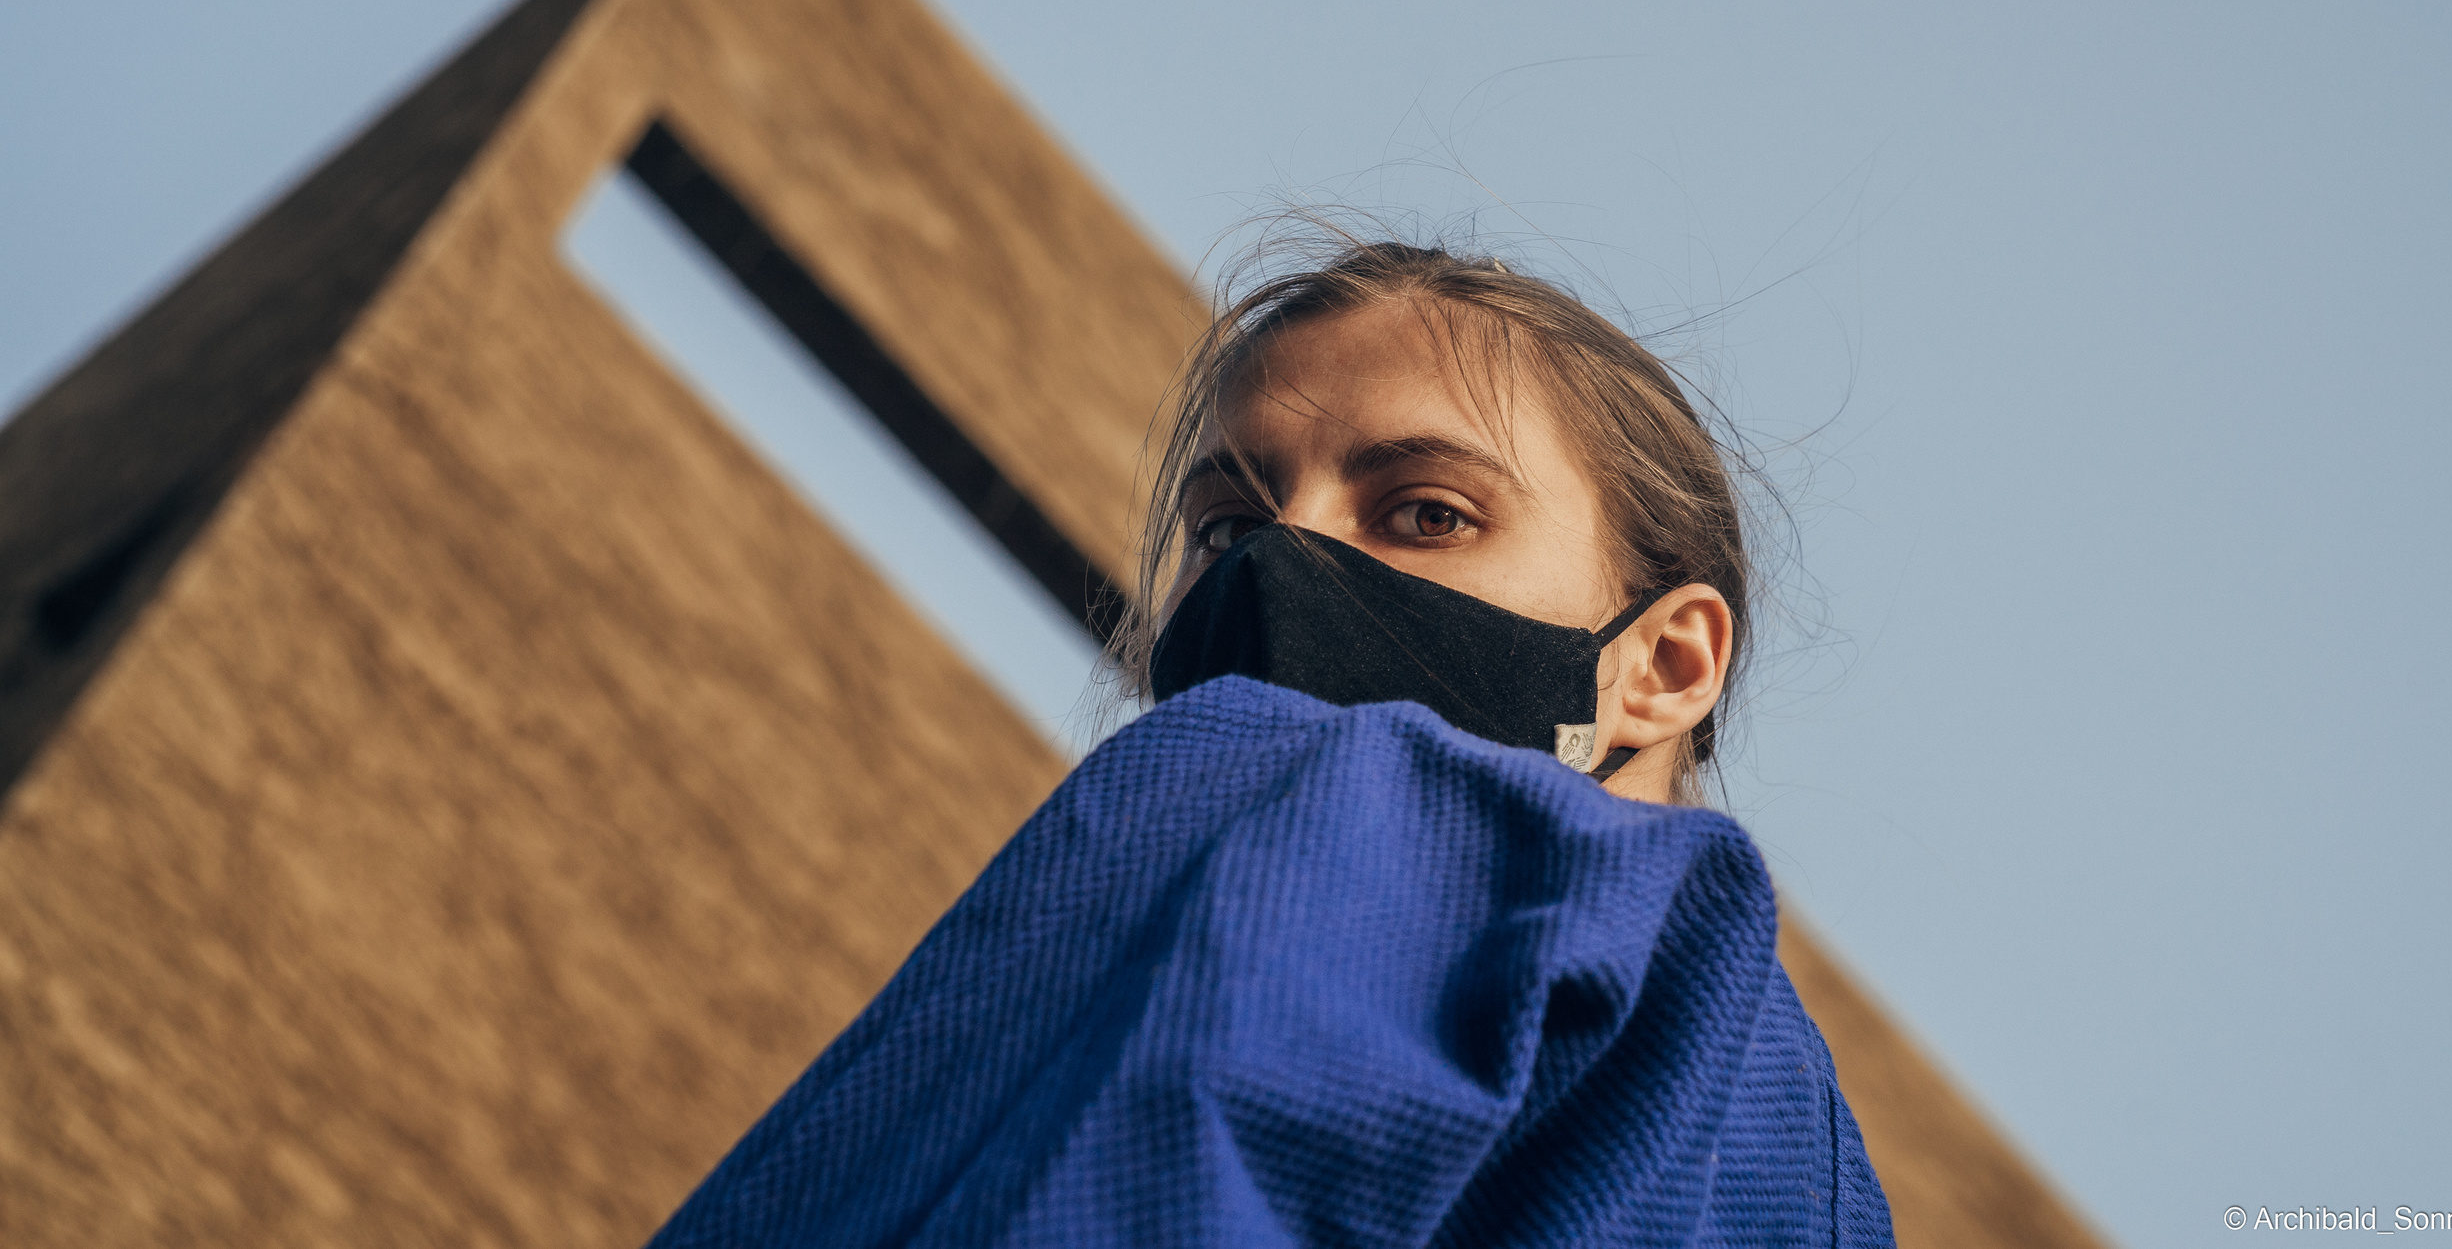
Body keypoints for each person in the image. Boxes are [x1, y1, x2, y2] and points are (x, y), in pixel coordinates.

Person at [649, 238, 1893, 1248]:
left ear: (1664, 665)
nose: (1283, 561)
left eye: (1427, 511)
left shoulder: (1385, 807)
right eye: (1227, 526)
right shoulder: (1811, 1163)